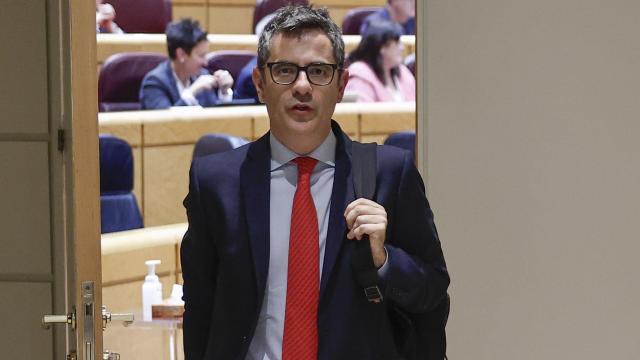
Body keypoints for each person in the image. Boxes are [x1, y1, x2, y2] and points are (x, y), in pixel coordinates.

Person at [180, 5, 449, 360]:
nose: (302, 86)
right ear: (260, 84)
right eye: (285, 71)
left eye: (319, 71)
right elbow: (200, 311)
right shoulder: (215, 182)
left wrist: (384, 260)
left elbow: (432, 292)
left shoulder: (389, 173)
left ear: (341, 85)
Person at [139, 19, 234, 110]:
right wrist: (192, 92)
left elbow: (216, 119)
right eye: (201, 55)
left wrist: (224, 92)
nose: (206, 62)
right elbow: (163, 123)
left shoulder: (202, 75)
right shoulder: (155, 83)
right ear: (181, 54)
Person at [345, 21, 416, 102]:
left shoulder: (402, 71)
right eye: (397, 43)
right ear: (381, 47)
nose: (402, 48)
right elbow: (363, 112)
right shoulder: (360, 74)